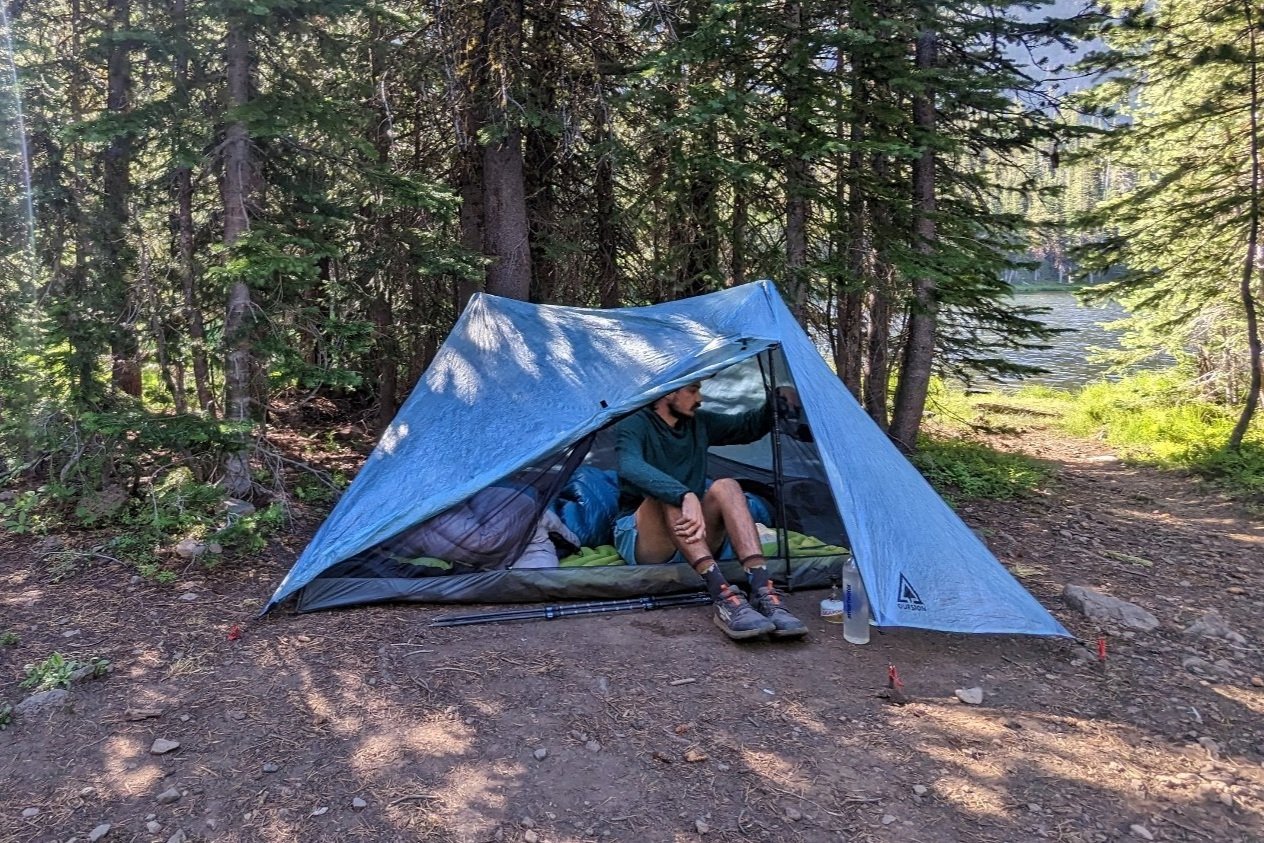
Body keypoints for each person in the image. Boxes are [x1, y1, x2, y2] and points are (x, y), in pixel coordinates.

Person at [613, 381, 808, 640]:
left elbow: (746, 427)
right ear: (669, 392)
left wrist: (774, 401)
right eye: (693, 390)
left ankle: (764, 592)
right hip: (646, 539)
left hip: (693, 538)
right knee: (665, 496)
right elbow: (629, 464)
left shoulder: (698, 422)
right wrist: (684, 494)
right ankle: (724, 597)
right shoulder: (635, 424)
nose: (700, 398)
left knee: (727, 486)